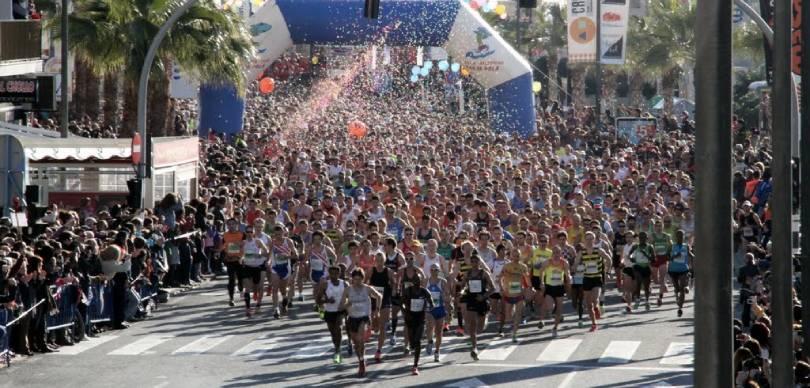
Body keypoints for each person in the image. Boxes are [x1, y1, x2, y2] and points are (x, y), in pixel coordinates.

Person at [339, 268, 382, 377]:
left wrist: (376, 310)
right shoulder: (348, 290)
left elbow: (379, 296)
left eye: (359, 279)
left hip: (364, 317)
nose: (357, 281)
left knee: (360, 339)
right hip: (352, 318)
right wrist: (347, 304)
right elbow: (340, 306)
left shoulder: (367, 289)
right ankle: (361, 361)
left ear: (363, 279)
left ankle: (362, 363)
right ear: (352, 279)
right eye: (355, 279)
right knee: (357, 344)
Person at [459, 253, 495, 360]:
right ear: (471, 263)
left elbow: (493, 288)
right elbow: (463, 286)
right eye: (473, 262)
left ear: (480, 262)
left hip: (482, 300)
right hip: (471, 299)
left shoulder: (484, 273)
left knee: (480, 327)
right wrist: (461, 291)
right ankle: (474, 348)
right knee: (472, 325)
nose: (474, 264)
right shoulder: (467, 274)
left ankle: (486, 317)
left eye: (476, 261)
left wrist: (484, 296)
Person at [575, 231, 610, 331]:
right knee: (588, 303)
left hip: (597, 278)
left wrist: (607, 272)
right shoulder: (582, 252)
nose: (589, 241)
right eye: (587, 239)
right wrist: (573, 267)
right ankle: (594, 323)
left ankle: (597, 307)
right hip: (586, 278)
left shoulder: (598, 250)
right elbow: (576, 262)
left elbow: (608, 259)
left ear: (594, 240)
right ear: (585, 240)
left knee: (595, 298)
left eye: (591, 239)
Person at [401, 275, 434, 375]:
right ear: (412, 282)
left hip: (420, 319)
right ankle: (411, 346)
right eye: (415, 281)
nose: (417, 283)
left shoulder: (424, 291)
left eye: (419, 281)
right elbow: (401, 302)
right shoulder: (408, 291)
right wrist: (404, 311)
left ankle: (415, 366)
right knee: (412, 343)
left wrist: (430, 307)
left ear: (421, 282)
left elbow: (431, 302)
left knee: (418, 340)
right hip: (410, 318)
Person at [367, 251, 395, 362]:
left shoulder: (388, 271)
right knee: (376, 326)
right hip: (373, 300)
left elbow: (394, 283)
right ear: (375, 260)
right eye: (377, 260)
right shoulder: (371, 270)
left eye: (381, 260)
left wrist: (394, 290)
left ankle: (378, 350)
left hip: (385, 300)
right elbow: (364, 282)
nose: (379, 262)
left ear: (384, 260)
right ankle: (374, 326)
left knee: (383, 326)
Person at [315, 266, 346, 364]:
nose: (334, 276)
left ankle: (338, 351)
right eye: (331, 274)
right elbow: (318, 299)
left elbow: (350, 296)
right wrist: (327, 300)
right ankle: (337, 347)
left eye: (336, 274)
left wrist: (346, 305)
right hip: (329, 311)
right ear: (329, 274)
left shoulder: (344, 284)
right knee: (333, 333)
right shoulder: (325, 285)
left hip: (340, 310)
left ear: (339, 274)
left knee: (338, 328)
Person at [397, 252, 426, 354]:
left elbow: (424, 280)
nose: (409, 261)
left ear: (414, 259)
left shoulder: (418, 270)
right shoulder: (401, 270)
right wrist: (397, 291)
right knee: (407, 323)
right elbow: (396, 282)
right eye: (407, 259)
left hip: (417, 300)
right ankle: (406, 345)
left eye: (411, 259)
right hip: (406, 300)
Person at [539, 246, 571, 336]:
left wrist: (569, 278)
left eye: (558, 252)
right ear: (552, 253)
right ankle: (543, 318)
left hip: (559, 287)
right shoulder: (547, 262)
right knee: (549, 306)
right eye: (554, 252)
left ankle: (555, 327)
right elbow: (541, 272)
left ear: (561, 253)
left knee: (559, 309)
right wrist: (541, 282)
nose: (556, 254)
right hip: (549, 287)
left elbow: (567, 274)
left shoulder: (564, 263)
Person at [499, 248, 529, 342]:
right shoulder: (507, 266)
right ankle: (513, 324)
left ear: (520, 256)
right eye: (514, 255)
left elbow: (527, 279)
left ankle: (514, 333)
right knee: (508, 315)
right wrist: (501, 288)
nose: (516, 257)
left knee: (518, 314)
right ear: (511, 256)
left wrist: (529, 288)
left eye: (518, 255)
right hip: (508, 293)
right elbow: (500, 277)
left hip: (519, 293)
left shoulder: (523, 266)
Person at [269, 224, 298, 318]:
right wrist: (268, 262)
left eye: (280, 233)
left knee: (283, 290)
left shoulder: (288, 241)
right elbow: (269, 255)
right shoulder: (272, 242)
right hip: (275, 268)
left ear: (283, 232)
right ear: (274, 234)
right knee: (275, 289)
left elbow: (296, 255)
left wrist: (287, 256)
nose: (278, 236)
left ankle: (285, 300)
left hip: (286, 268)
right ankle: (276, 309)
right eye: (276, 234)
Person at [240, 226, 268, 317]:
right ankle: (248, 308)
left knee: (259, 286)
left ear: (253, 233)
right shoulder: (243, 243)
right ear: (245, 233)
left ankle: (258, 304)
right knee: (247, 288)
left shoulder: (257, 241)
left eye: (251, 232)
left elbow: (266, 251)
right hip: (247, 267)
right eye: (247, 232)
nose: (249, 233)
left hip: (258, 266)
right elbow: (239, 254)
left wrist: (259, 254)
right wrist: (241, 258)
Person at [425, 262, 449, 360]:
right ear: (429, 271)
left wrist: (445, 297)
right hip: (429, 308)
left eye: (436, 270)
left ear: (439, 271)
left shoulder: (443, 282)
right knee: (430, 326)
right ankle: (430, 341)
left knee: (439, 332)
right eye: (432, 270)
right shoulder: (426, 281)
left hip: (440, 308)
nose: (434, 272)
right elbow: (422, 293)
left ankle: (437, 351)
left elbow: (448, 296)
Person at [668, 229, 693, 317]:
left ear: (684, 237)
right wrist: (675, 256)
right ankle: (678, 295)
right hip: (673, 270)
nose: (680, 237)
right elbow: (669, 258)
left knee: (682, 288)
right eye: (678, 236)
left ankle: (680, 308)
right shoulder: (672, 246)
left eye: (682, 236)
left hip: (683, 269)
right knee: (677, 289)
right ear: (676, 237)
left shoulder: (686, 246)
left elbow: (690, 255)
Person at [629, 231, 655, 311]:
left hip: (646, 267)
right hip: (637, 267)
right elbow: (630, 255)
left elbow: (653, 259)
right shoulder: (635, 246)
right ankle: (637, 300)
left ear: (646, 238)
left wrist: (646, 254)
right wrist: (632, 258)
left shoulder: (650, 247)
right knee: (638, 283)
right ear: (638, 238)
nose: (642, 239)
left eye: (644, 238)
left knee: (646, 286)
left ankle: (647, 301)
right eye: (640, 238)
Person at [222, 218, 245, 306]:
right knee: (231, 279)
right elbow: (223, 246)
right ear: (227, 225)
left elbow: (245, 247)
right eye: (229, 224)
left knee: (240, 278)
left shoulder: (242, 235)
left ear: (237, 225)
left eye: (233, 224)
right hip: (230, 260)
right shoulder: (225, 235)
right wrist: (225, 254)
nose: (231, 226)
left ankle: (241, 289)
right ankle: (231, 299)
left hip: (239, 260)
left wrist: (241, 256)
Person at [650, 219, 672, 307]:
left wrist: (668, 254)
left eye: (660, 226)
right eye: (657, 226)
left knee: (662, 278)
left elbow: (671, 245)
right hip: (655, 259)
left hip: (663, 258)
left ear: (662, 226)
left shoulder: (667, 236)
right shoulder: (652, 236)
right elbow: (649, 247)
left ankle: (660, 298)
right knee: (656, 280)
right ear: (654, 227)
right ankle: (663, 286)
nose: (658, 228)